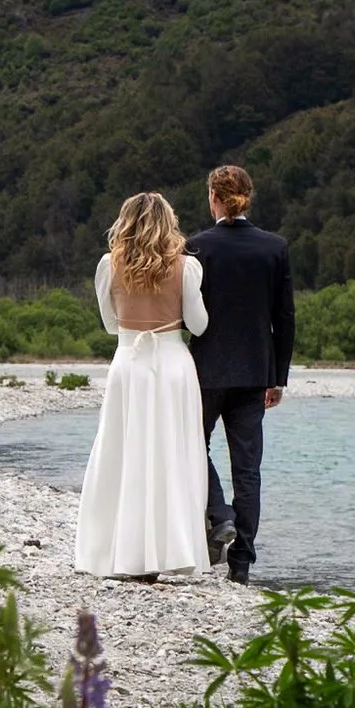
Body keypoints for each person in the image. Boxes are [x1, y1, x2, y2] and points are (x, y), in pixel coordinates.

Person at [75, 192, 214, 580]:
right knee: (172, 455)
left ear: (125, 222)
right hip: (172, 366)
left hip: (129, 364)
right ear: (168, 222)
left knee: (123, 453)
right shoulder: (187, 267)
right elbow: (199, 325)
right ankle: (172, 550)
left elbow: (109, 324)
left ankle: (120, 552)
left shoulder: (108, 265)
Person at [187, 164, 294, 584]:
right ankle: (242, 563)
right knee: (248, 468)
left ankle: (220, 514)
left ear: (213, 197)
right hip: (255, 372)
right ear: (248, 196)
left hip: (207, 369)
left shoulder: (196, 247)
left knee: (194, 446)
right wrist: (278, 376)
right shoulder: (274, 247)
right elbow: (284, 318)